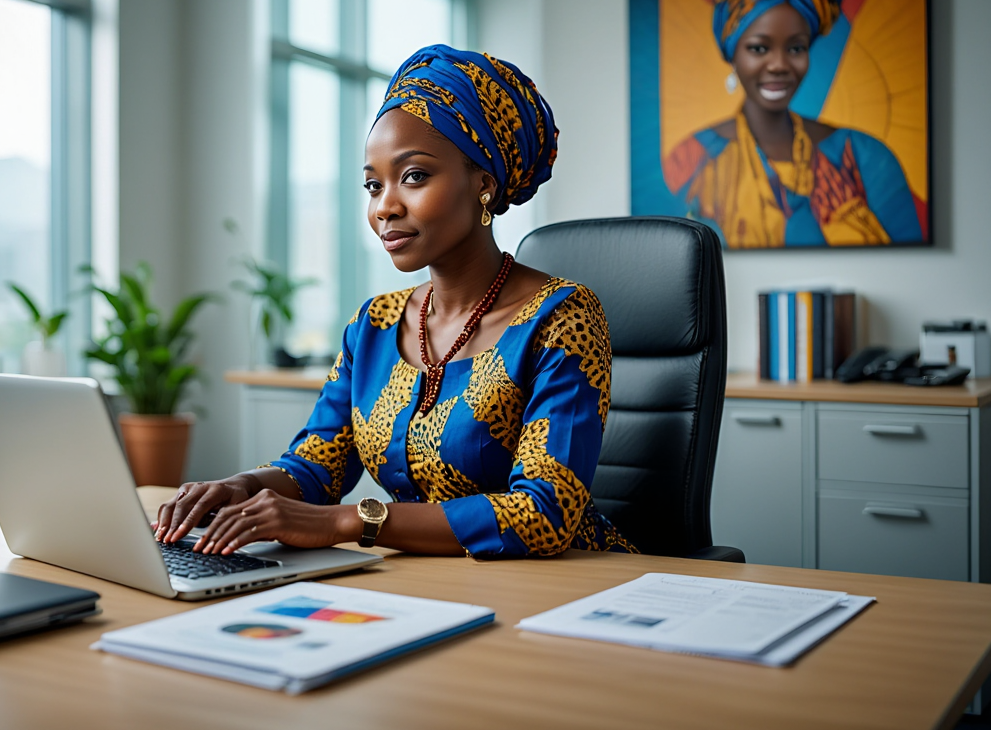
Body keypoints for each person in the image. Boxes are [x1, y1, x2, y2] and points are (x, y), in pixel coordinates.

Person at [153, 44, 635, 559]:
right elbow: (316, 467)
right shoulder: (374, 324)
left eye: (414, 176)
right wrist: (241, 486)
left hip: (568, 584)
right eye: (372, 185)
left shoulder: (562, 317)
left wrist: (346, 521)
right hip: (424, 580)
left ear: (484, 185)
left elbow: (543, 516)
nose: (385, 206)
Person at [663, 0, 924, 248]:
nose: (779, 65)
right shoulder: (690, 161)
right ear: (733, 56)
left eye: (796, 48)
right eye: (759, 48)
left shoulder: (865, 158)